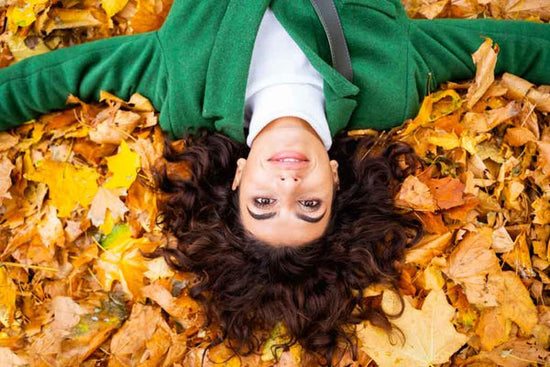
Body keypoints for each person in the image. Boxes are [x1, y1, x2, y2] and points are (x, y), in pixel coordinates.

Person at [0, 0, 548, 364]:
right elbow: (515, 48)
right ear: (335, 181)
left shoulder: (181, 90)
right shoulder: (393, 83)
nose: (289, 181)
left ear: (238, 179)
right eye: (309, 204)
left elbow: (52, 80)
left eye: (264, 202)